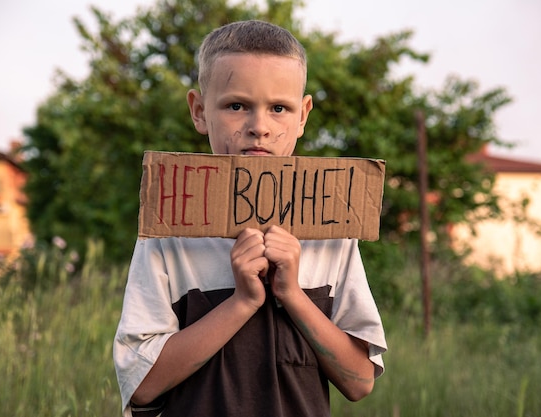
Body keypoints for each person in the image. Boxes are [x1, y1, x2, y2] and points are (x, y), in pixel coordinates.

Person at [113, 20, 387, 417]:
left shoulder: (332, 231)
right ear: (200, 111)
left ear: (303, 115)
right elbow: (140, 386)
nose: (259, 127)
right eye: (236, 105)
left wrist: (291, 293)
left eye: (279, 108)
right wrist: (242, 302)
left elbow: (360, 382)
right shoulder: (169, 230)